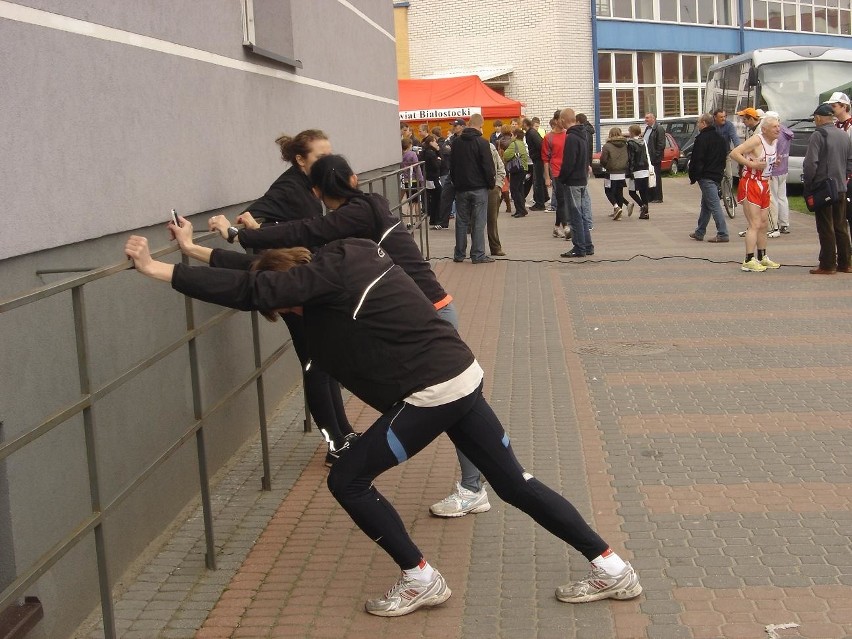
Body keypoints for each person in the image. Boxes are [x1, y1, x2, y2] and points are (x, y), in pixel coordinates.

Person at [124, 233, 642, 618]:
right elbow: (255, 274)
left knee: (346, 478)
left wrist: (156, 270)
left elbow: (252, 289)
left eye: (281, 302)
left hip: (431, 391)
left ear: (290, 283)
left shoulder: (313, 285)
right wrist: (194, 250)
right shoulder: (338, 262)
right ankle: (612, 568)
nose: (280, 310)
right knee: (514, 483)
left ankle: (420, 578)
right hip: (460, 374)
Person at [207, 153, 493, 515]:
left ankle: (475, 487)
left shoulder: (357, 214)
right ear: (353, 179)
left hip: (427, 315)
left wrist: (243, 233)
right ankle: (485, 479)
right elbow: (303, 247)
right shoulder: (360, 210)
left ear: (318, 189)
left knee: (455, 410)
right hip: (427, 312)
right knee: (459, 407)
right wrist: (240, 241)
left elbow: (306, 232)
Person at [230, 129, 353, 464]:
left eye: (329, 154)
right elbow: (253, 216)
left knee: (325, 361)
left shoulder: (312, 185)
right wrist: (252, 228)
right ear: (300, 159)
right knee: (315, 364)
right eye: (319, 156)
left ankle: (343, 433)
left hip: (310, 284)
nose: (326, 160)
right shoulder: (288, 186)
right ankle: (335, 443)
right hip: (296, 288)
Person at [803, 103, 852, 275]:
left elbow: (810, 163)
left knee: (825, 226)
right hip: (840, 186)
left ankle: (827, 264)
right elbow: (850, 161)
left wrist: (809, 183)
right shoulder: (843, 135)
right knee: (841, 225)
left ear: (818, 117)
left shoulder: (818, 135)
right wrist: (844, 177)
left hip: (823, 187)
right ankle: (846, 263)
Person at [729, 114, 782, 272]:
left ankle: (762, 256)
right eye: (774, 127)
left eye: (778, 126)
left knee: (764, 223)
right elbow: (734, 153)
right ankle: (748, 259)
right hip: (751, 183)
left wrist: (773, 163)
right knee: (754, 223)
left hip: (764, 183)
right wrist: (751, 164)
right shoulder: (756, 140)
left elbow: (766, 161)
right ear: (764, 129)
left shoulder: (775, 141)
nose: (778, 129)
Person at [450, 113, 496, 264]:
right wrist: (490, 184)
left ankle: (459, 254)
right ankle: (477, 254)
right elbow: (488, 167)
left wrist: (456, 183)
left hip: (461, 188)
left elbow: (452, 166)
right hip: (479, 187)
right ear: (481, 125)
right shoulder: (482, 143)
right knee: (478, 222)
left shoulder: (456, 143)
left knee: (461, 221)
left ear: (468, 124)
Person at [688, 114, 730, 243]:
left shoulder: (702, 139)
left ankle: (722, 233)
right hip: (716, 174)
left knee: (714, 204)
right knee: (706, 204)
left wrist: (695, 175)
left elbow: (697, 158)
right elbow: (725, 156)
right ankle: (700, 231)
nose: (697, 124)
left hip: (706, 176)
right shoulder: (721, 138)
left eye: (698, 122)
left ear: (704, 123)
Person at [558, 108, 594, 258]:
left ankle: (579, 247)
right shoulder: (583, 135)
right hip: (582, 178)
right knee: (582, 214)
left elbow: (569, 162)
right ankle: (587, 245)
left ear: (563, 120)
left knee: (575, 215)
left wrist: (562, 178)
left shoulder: (571, 137)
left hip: (573, 181)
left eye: (560, 120)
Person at [542, 117, 569, 238]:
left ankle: (556, 227)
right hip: (556, 171)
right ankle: (566, 227)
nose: (564, 123)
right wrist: (547, 177)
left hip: (568, 171)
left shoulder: (568, 134)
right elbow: (545, 159)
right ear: (556, 121)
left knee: (563, 200)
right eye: (562, 120)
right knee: (561, 199)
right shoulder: (549, 137)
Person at [437, 119, 466, 229]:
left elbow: (458, 152)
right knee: (445, 195)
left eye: (456, 125)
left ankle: (464, 223)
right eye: (453, 125)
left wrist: (451, 149)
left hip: (463, 172)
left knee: (462, 198)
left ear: (462, 126)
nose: (454, 127)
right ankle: (443, 222)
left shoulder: (465, 137)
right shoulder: (451, 138)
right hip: (451, 171)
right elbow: (444, 149)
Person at [768, 114, 794, 236]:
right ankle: (784, 223)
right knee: (782, 197)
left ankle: (774, 224)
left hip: (774, 170)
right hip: (784, 168)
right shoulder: (786, 132)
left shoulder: (775, 134)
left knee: (773, 197)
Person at [599, 127, 629, 221]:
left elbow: (603, 159)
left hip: (611, 171)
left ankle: (616, 207)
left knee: (608, 191)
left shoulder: (607, 146)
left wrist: (606, 165)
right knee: (619, 192)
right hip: (622, 171)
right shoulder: (625, 145)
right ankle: (619, 214)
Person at [626, 124, 651, 220]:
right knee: (643, 192)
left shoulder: (631, 143)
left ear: (632, 132)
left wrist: (630, 171)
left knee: (632, 192)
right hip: (644, 168)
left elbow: (631, 158)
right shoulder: (643, 141)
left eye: (629, 131)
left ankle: (642, 205)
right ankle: (646, 213)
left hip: (636, 169)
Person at [486, 138, 507, 257]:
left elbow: (500, 167)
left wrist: (498, 185)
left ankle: (495, 247)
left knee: (492, 219)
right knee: (474, 221)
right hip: (476, 187)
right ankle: (476, 249)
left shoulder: (490, 147)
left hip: (492, 188)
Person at [504, 128, 530, 218]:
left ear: (515, 136)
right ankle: (520, 210)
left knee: (514, 190)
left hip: (516, 169)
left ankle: (521, 210)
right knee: (520, 189)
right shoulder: (522, 143)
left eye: (512, 135)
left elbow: (506, 155)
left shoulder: (514, 144)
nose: (511, 137)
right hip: (523, 168)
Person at [420, 135, 443, 229]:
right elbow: (436, 165)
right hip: (433, 178)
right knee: (438, 198)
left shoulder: (426, 152)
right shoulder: (431, 153)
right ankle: (436, 219)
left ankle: (433, 219)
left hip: (429, 178)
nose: (436, 143)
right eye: (435, 141)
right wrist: (439, 159)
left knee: (434, 199)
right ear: (430, 142)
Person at [524, 117, 547, 210]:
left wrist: (536, 155)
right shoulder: (532, 133)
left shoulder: (531, 133)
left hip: (538, 159)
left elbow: (540, 145)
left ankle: (540, 203)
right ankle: (544, 199)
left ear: (526, 124)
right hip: (538, 158)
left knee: (538, 181)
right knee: (539, 180)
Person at [643, 113, 666, 203]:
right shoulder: (647, 129)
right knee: (649, 177)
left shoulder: (658, 129)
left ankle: (658, 197)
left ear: (653, 119)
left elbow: (661, 144)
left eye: (647, 118)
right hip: (647, 157)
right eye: (645, 118)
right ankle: (650, 196)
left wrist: (656, 156)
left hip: (654, 158)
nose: (646, 119)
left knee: (656, 177)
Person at [400, 138, 422, 218]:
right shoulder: (412, 154)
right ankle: (417, 219)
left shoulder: (401, 155)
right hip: (414, 179)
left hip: (405, 180)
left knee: (410, 200)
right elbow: (417, 167)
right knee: (416, 201)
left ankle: (409, 220)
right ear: (409, 145)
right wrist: (421, 179)